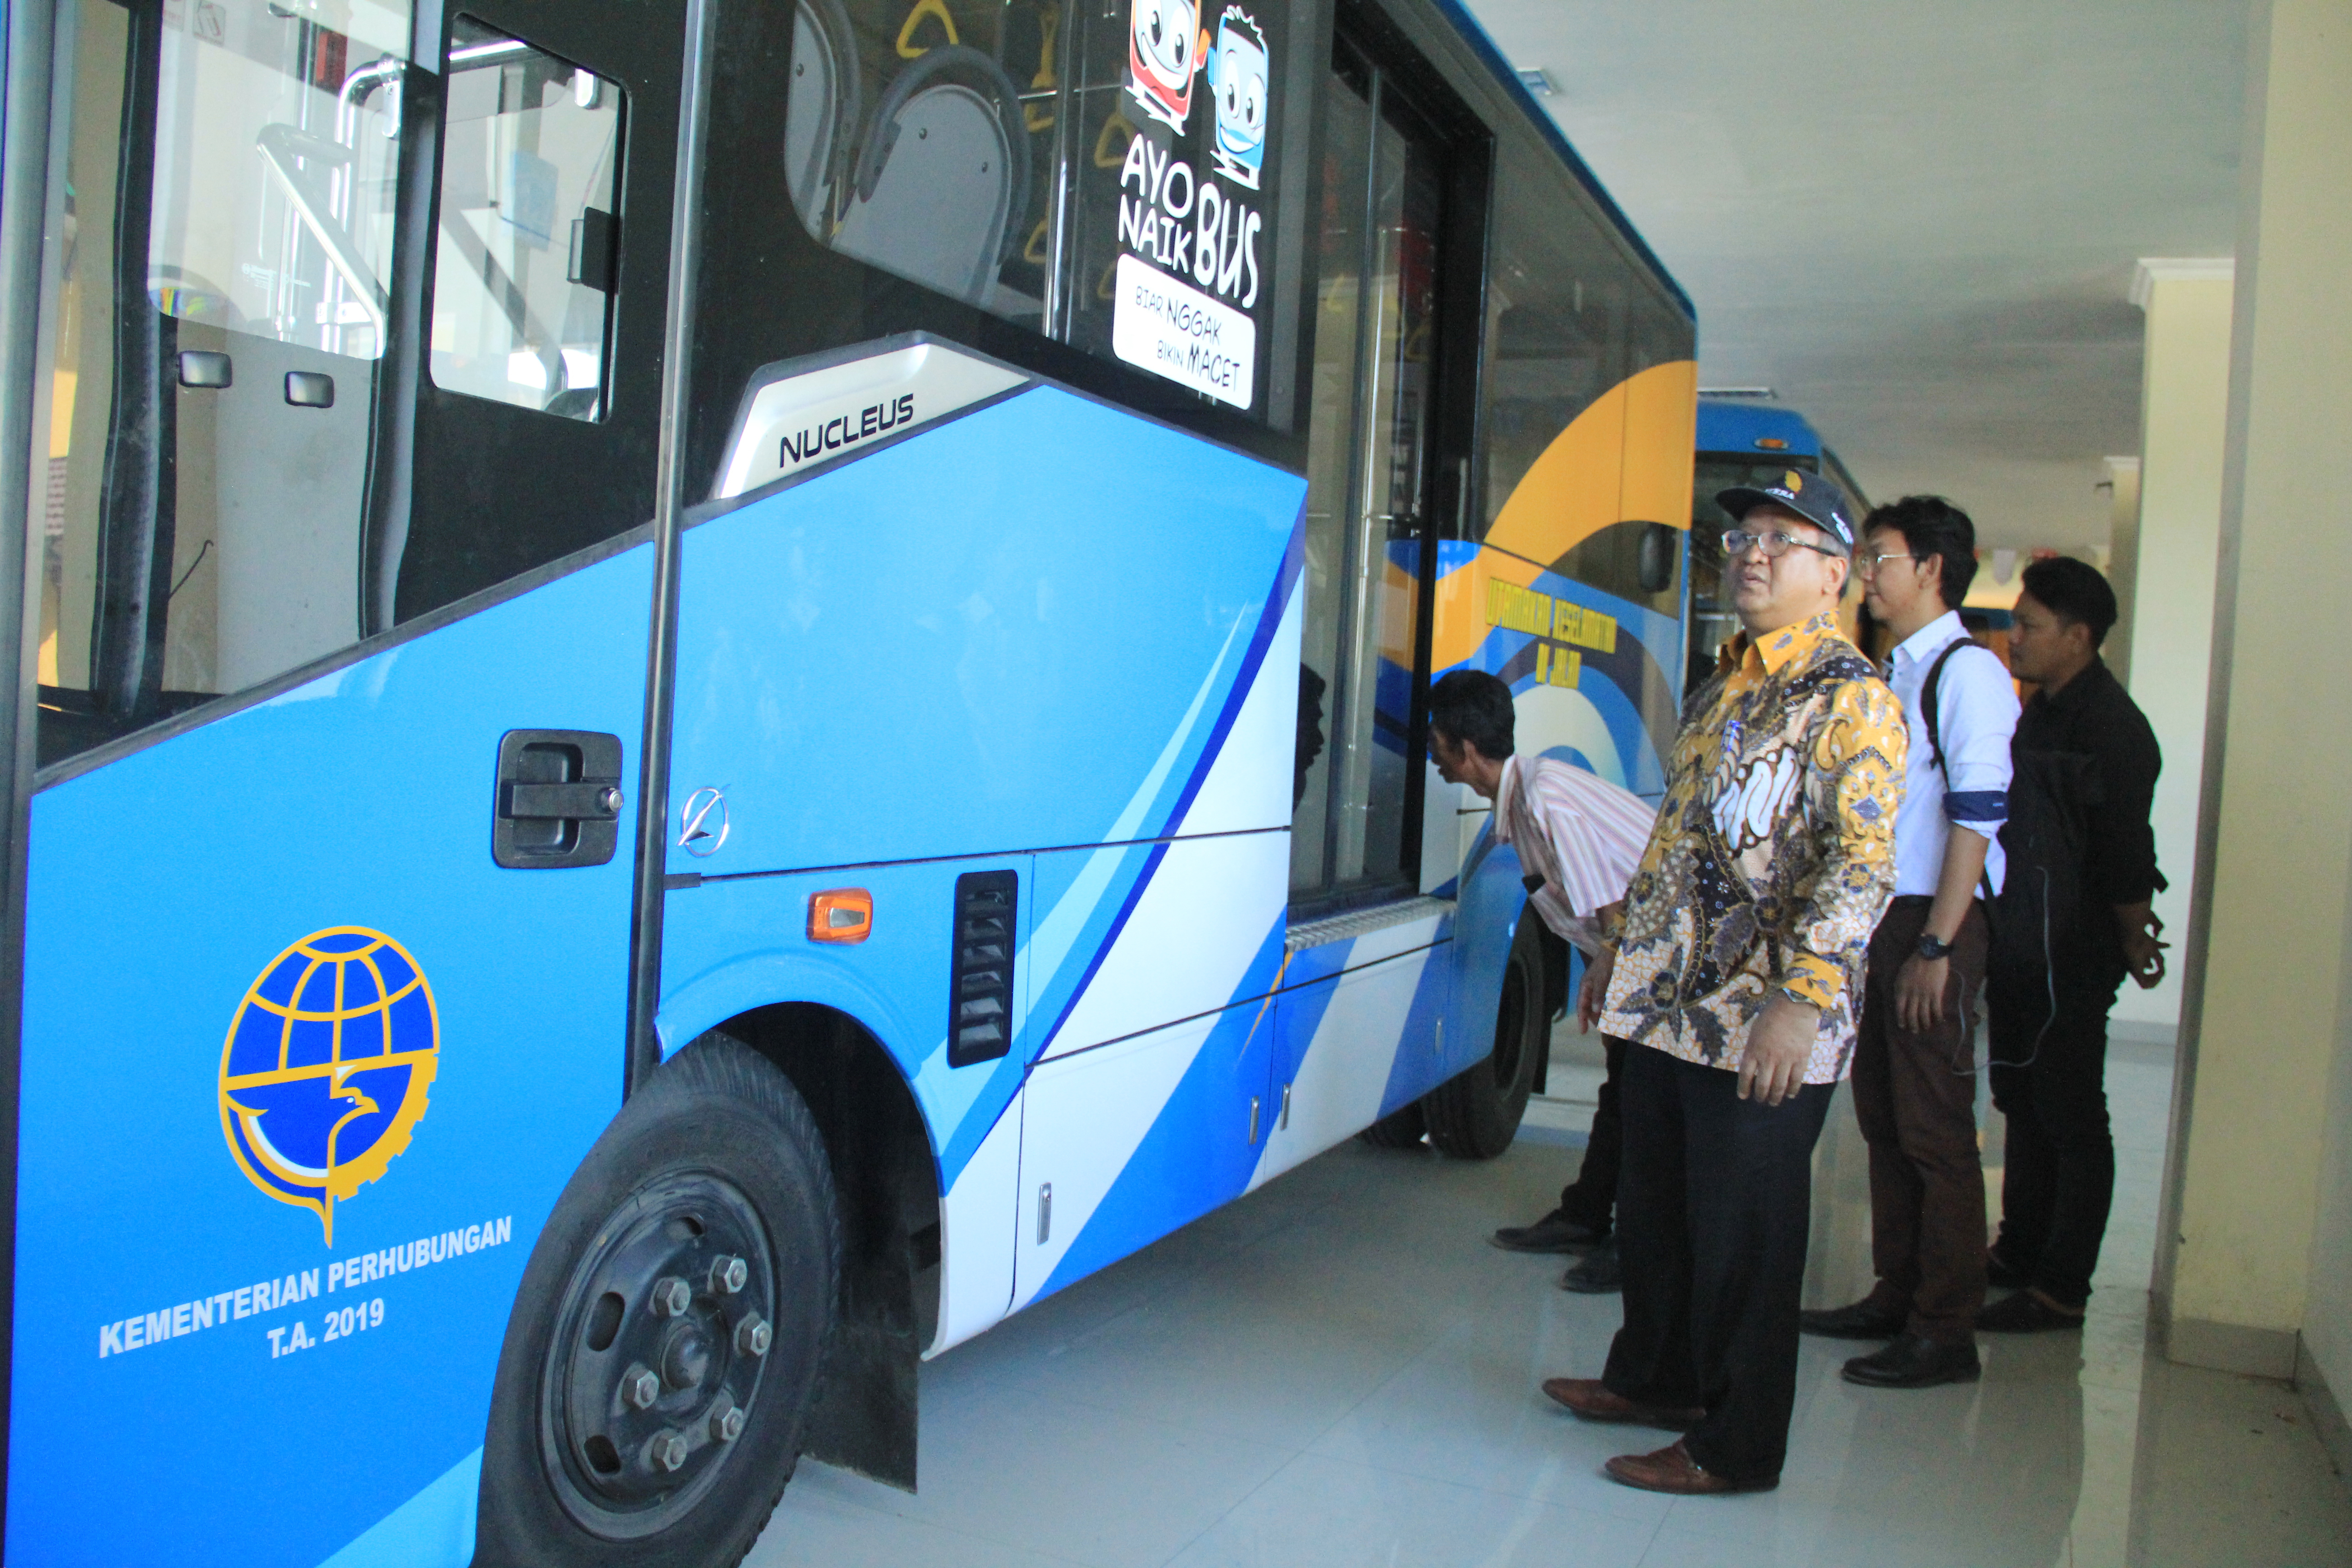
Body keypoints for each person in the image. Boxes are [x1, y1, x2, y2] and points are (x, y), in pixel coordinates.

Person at [1539, 469, 1903, 1496]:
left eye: (1780, 541)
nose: (1750, 552)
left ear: (1834, 574)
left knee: (1746, 1240)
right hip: (1670, 1010)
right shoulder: (1726, 682)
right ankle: (1656, 1379)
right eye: (1743, 536)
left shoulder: (1853, 701)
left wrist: (1800, 1002)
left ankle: (1736, 1447)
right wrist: (1617, 953)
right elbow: (1676, 842)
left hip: (1762, 1022)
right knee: (1656, 1214)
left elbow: (1859, 866)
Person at [1801, 496, 2019, 1388]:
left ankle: (1945, 1328)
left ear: (1933, 567)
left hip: (1935, 918)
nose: (1867, 575)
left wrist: (1937, 945)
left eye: (1881, 558)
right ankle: (1898, 1292)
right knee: (1886, 1116)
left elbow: (1978, 815)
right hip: (1887, 917)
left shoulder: (1966, 672)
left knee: (1934, 1127)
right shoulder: (1894, 670)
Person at [1426, 670, 1656, 1295]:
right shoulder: (1524, 797)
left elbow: (1609, 899)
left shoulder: (1543, 797)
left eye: (1437, 743)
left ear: (1465, 749)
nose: (1434, 757)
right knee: (1624, 1095)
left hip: (1657, 952)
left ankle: (1636, 1250)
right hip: (1631, 945)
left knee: (1646, 1106)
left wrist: (1608, 971)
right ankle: (1584, 1217)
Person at [1980, 558, 2164, 1332]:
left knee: (2069, 1111)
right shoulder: (2044, 710)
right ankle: (2018, 1249)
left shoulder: (2115, 731)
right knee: (2019, 1096)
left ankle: (2062, 1284)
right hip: (2024, 938)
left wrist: (2133, 940)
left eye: (2030, 626)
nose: (2014, 637)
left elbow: (2125, 856)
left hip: (2075, 950)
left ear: (2080, 639)